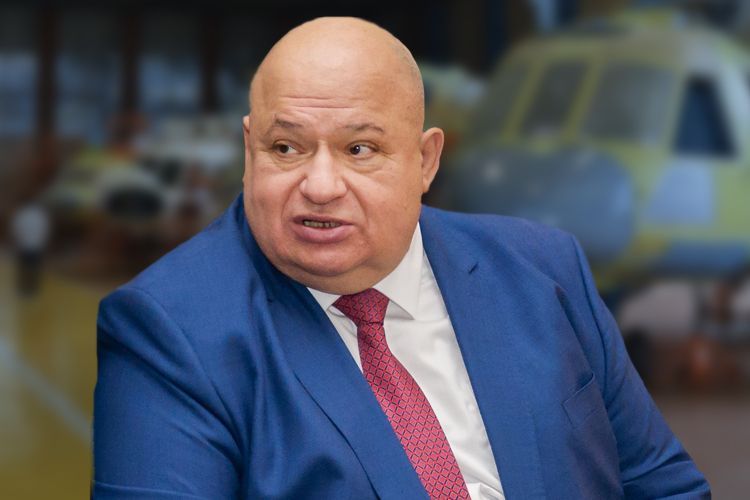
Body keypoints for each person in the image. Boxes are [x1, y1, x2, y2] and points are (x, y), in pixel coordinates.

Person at [93, 17, 710, 499]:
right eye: (286, 148)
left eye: (360, 149)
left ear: (426, 161)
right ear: (249, 148)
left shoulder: (545, 269)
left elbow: (664, 487)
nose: (320, 186)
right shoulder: (168, 333)